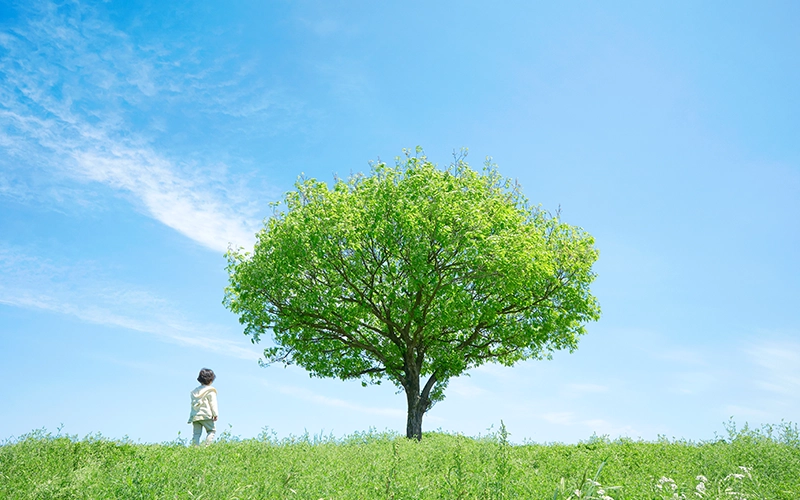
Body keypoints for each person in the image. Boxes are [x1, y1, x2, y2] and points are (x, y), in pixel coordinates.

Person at [188, 368, 219, 446]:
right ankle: (207, 447)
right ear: (211, 380)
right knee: (211, 431)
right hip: (206, 415)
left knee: (196, 434)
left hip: (195, 416)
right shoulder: (210, 391)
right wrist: (215, 414)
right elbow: (213, 403)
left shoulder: (195, 391)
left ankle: (195, 448)